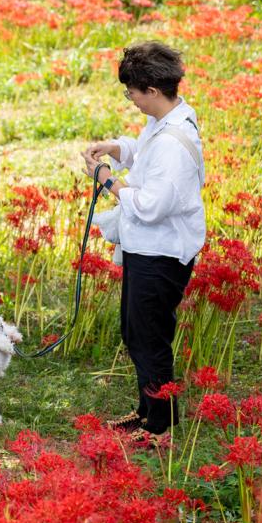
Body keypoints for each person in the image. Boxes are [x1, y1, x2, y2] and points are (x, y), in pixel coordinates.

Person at [80, 41, 206, 438]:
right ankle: (147, 411)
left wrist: (107, 181)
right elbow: (143, 151)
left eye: (131, 91)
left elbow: (151, 205)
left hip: (161, 253)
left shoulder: (173, 143)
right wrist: (117, 149)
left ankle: (160, 426)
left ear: (151, 90)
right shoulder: (165, 122)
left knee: (150, 338)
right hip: (145, 248)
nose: (130, 98)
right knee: (137, 333)